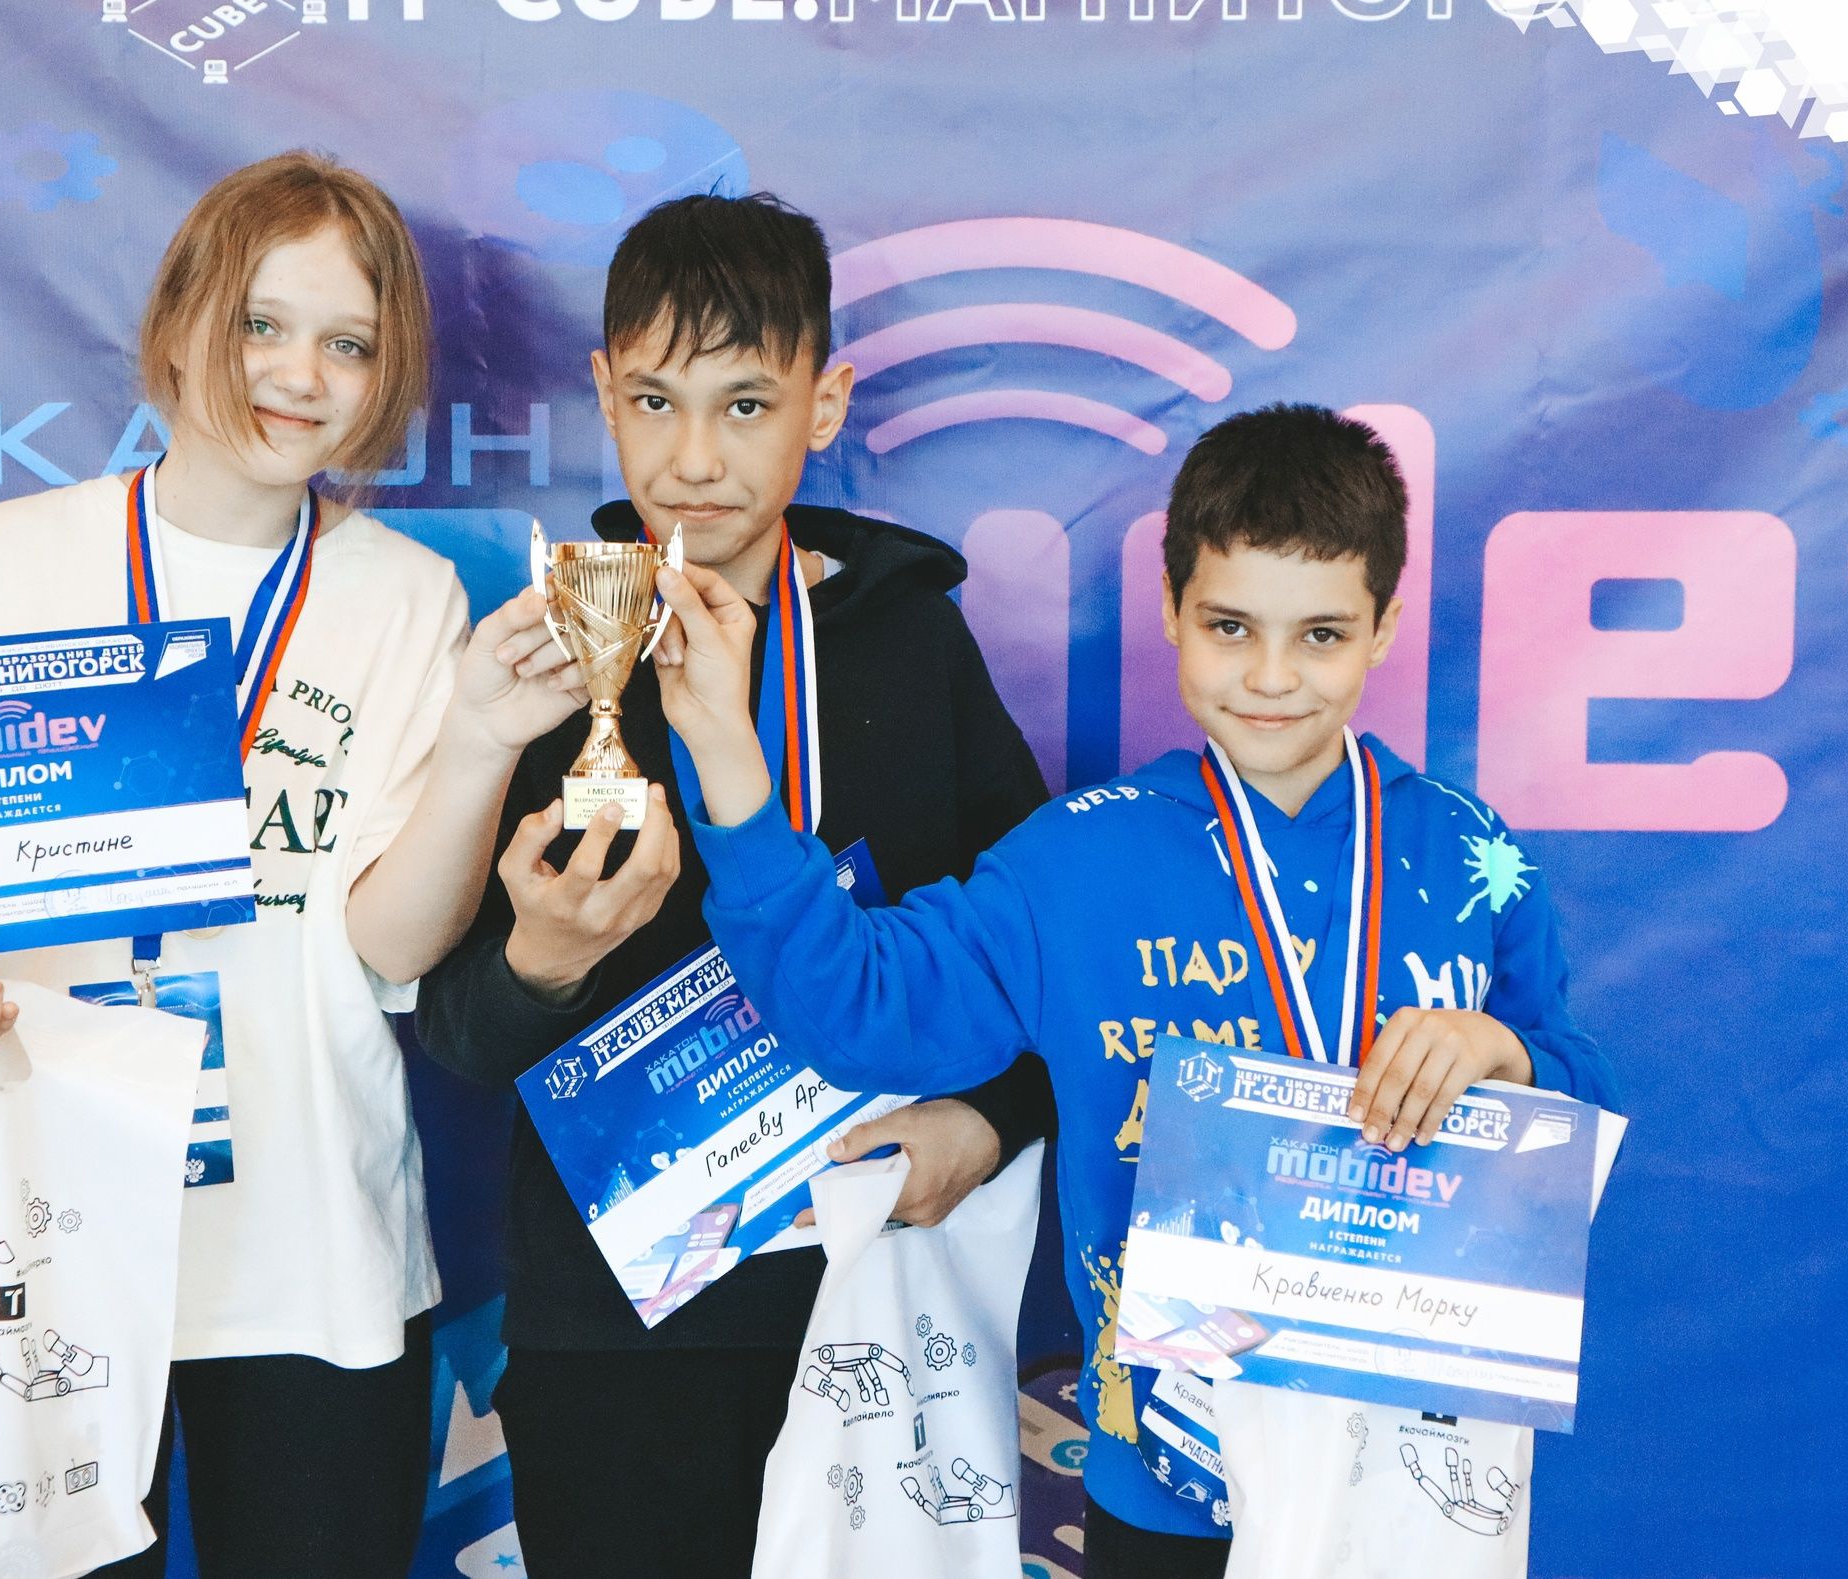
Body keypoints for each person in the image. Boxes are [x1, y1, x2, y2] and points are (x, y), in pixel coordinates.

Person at [651, 403, 1625, 1578]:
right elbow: (859, 1009)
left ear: (1384, 628)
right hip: (1160, 1488)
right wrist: (729, 760)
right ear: (1170, 610)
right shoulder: (1077, 861)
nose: (1272, 677)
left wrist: (1506, 1057)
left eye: (1320, 634)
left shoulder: (1471, 856)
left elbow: (1577, 1104)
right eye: (1230, 627)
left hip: (1404, 1488)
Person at [0, 151, 587, 1576]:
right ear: (181, 319)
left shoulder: (403, 597)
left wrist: (481, 742)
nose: (299, 375)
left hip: (306, 1242)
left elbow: (390, 945)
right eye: (262, 323)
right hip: (33, 1228)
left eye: (348, 343)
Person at [412, 190, 1055, 1576]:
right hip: (615, 1331)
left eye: (747, 405)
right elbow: (453, 1032)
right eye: (656, 401)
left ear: (826, 404)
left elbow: (1048, 969)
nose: (694, 458)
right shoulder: (547, 653)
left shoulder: (912, 642)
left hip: (876, 1299)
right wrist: (541, 962)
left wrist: (989, 1120)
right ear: (604, 394)